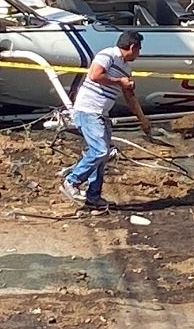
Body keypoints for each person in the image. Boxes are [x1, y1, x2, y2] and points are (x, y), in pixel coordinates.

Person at [62, 31, 152, 211]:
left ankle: (93, 197)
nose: (139, 54)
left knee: (102, 158)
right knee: (100, 150)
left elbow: (129, 97)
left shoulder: (126, 69)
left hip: (101, 114)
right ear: (132, 47)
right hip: (88, 111)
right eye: (138, 49)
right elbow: (95, 75)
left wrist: (143, 120)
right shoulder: (108, 55)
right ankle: (71, 181)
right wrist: (120, 82)